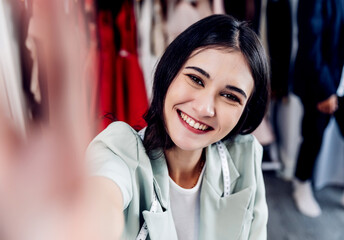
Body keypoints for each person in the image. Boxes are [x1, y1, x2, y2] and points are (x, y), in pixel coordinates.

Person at [87, 14, 269, 239]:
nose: (205, 108)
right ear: (170, 71)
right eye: (196, 79)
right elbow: (101, 200)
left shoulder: (245, 156)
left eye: (230, 96)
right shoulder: (119, 152)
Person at [293, 0, 344, 217]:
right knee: (314, 136)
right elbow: (309, 42)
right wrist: (325, 90)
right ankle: (301, 185)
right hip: (320, 81)